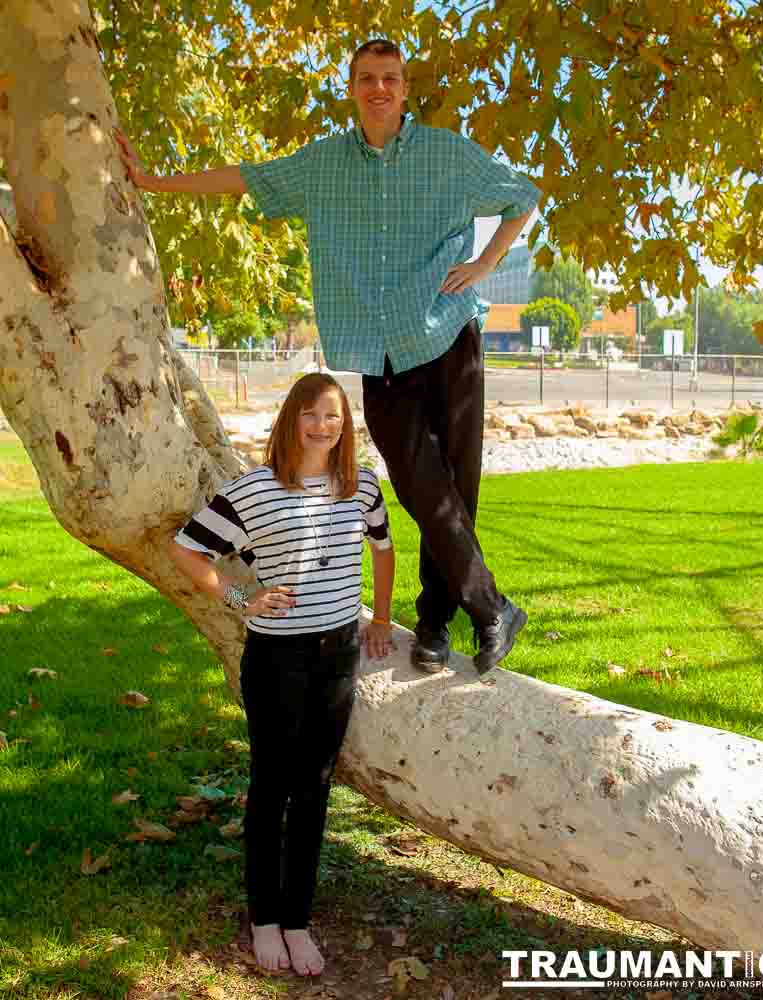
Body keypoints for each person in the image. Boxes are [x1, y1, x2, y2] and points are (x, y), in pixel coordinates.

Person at [117, 37, 539, 677]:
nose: (378, 88)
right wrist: (154, 181)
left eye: (390, 78)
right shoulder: (321, 166)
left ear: (404, 88)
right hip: (380, 351)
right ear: (353, 87)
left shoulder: (447, 155)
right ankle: (491, 607)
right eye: (367, 78)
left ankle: (434, 623)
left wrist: (485, 262)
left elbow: (522, 195)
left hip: (450, 335)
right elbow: (245, 178)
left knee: (457, 489)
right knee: (419, 485)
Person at [167, 373, 395, 976]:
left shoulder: (362, 486)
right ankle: (264, 919)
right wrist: (242, 600)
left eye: (335, 419)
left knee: (316, 786)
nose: (323, 427)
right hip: (277, 660)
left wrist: (383, 618)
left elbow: (383, 546)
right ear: (292, 418)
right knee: (272, 788)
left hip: (339, 654)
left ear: (346, 428)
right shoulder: (253, 492)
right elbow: (185, 549)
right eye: (312, 415)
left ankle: (298, 921)